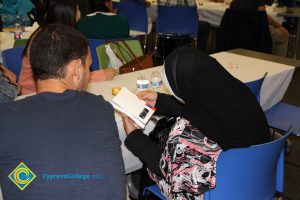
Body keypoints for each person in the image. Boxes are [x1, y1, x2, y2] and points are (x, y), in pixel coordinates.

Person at [122, 48, 271, 199]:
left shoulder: (187, 133)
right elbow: (200, 108)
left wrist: (134, 136)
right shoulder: (240, 93)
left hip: (213, 193)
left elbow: (164, 167)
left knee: (150, 164)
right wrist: (160, 101)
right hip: (253, 180)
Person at [0, 24, 125, 200]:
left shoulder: (6, 117)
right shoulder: (101, 107)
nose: (88, 74)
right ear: (76, 68)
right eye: (88, 67)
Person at [18, 0, 118, 95]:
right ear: (68, 13)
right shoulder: (50, 41)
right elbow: (60, 78)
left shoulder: (57, 35)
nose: (79, 14)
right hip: (33, 95)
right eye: (77, 9)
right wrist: (100, 75)